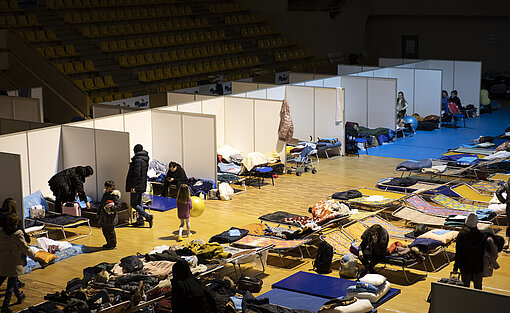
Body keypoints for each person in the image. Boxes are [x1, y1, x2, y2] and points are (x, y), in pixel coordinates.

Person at [0, 213, 41, 313]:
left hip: (2, 259)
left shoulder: (1, 232)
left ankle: (19, 296)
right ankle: (5, 307)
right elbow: (25, 248)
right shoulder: (18, 234)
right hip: (14, 261)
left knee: (9, 280)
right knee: (10, 284)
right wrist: (35, 257)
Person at [453, 213, 486, 289]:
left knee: (464, 290)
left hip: (465, 268)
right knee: (478, 290)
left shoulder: (461, 236)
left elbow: (458, 254)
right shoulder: (483, 236)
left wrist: (455, 268)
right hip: (478, 267)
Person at [126, 144, 153, 227]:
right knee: (139, 202)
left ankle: (147, 216)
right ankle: (140, 221)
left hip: (136, 185)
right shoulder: (144, 159)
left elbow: (136, 174)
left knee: (133, 204)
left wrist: (133, 186)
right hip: (142, 184)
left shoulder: (137, 160)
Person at [98, 180, 121, 249]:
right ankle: (108, 243)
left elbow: (118, 205)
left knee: (110, 231)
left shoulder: (114, 195)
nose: (107, 188)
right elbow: (102, 204)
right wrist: (98, 213)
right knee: (104, 230)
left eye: (108, 186)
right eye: (106, 186)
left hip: (111, 217)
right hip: (104, 216)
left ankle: (113, 245)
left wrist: (111, 209)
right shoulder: (106, 194)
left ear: (112, 187)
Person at [495, 178, 510, 250]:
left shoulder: (507, 184)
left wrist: (504, 201)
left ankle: (507, 241)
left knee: (509, 224)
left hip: (509, 206)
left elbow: (498, 192)